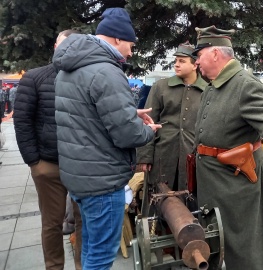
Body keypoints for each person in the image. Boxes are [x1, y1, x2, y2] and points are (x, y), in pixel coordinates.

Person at [53, 8, 161, 269]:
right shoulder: (107, 72)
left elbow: (85, 112)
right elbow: (128, 134)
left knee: (90, 247)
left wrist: (126, 111)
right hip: (102, 181)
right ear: (116, 39)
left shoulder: (70, 68)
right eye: (131, 45)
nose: (132, 52)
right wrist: (149, 131)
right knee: (101, 257)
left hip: (79, 176)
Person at [193, 25, 263, 270]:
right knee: (216, 244)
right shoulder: (212, 86)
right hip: (212, 184)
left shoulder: (244, 84)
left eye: (199, 55)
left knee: (245, 251)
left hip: (236, 187)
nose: (196, 62)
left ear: (214, 53)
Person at [14, 29, 83, 270]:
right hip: (48, 165)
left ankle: (82, 266)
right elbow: (22, 121)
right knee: (52, 224)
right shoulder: (34, 77)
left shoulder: (86, 77)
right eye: (62, 45)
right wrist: (34, 162)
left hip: (81, 166)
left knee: (84, 222)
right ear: (55, 47)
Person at [137, 42, 207, 189]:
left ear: (195, 65)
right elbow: (148, 122)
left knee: (190, 203)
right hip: (163, 155)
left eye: (182, 61)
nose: (176, 64)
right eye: (175, 61)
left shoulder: (207, 91)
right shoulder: (160, 87)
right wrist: (145, 156)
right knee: (159, 200)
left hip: (192, 157)